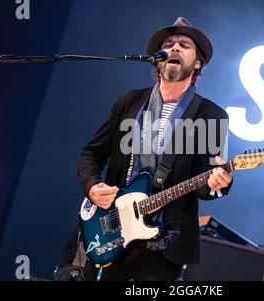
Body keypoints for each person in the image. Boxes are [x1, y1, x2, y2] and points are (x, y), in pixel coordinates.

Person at [77, 17, 233, 281]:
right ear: (157, 59)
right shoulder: (129, 101)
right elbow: (92, 153)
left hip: (164, 245)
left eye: (184, 45)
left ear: (197, 63)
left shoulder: (210, 115)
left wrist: (220, 181)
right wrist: (92, 186)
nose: (174, 48)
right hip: (112, 229)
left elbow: (205, 180)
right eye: (169, 44)